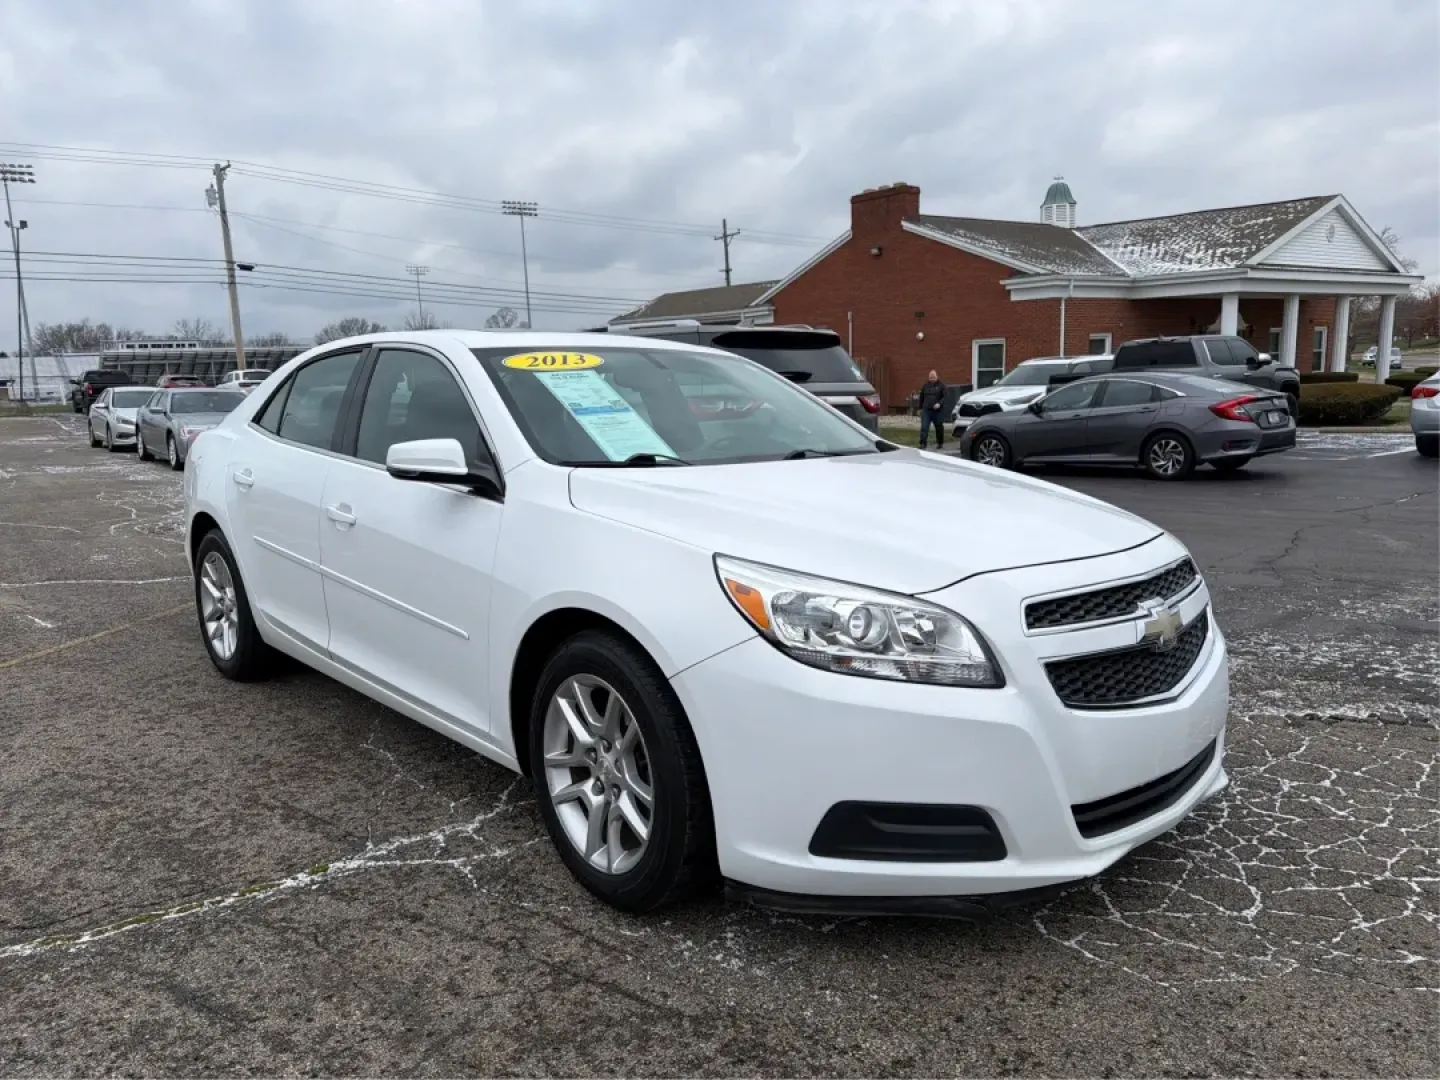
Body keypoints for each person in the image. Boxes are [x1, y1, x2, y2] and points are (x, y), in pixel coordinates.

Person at [917, 369, 948, 450]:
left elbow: (945, 397)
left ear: (937, 376)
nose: (932, 378)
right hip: (926, 410)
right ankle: (923, 443)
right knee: (924, 427)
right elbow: (921, 397)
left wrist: (939, 404)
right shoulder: (925, 386)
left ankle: (940, 443)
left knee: (939, 427)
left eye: (933, 377)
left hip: (937, 411)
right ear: (928, 377)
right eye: (931, 377)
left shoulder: (942, 386)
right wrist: (920, 408)